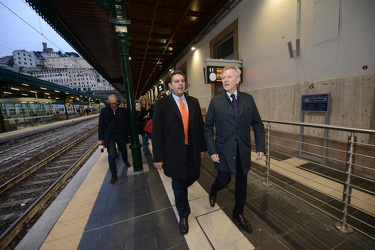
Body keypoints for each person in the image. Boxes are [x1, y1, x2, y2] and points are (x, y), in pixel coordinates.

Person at [204, 65, 265, 233]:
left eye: (229, 77)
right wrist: (212, 150)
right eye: (223, 77)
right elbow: (208, 127)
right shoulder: (216, 102)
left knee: (242, 184)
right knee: (224, 180)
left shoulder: (248, 99)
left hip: (242, 150)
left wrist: (260, 146)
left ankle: (238, 213)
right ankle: (213, 190)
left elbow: (257, 124)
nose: (225, 80)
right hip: (223, 150)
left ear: (238, 80)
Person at [152, 70, 207, 235]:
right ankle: (183, 215)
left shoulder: (194, 102)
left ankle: (182, 195)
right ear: (170, 85)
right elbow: (157, 132)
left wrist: (203, 148)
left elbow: (199, 127)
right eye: (176, 81)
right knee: (178, 185)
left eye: (182, 80)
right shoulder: (162, 105)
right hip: (174, 153)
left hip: (192, 150)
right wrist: (159, 157)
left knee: (193, 176)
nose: (180, 83)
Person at [98, 95, 131, 184]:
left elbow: (127, 122)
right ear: (108, 103)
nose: (113, 105)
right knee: (111, 155)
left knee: (124, 149)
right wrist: (100, 139)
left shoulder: (122, 111)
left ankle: (125, 160)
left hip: (120, 134)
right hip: (110, 136)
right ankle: (114, 174)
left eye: (114, 103)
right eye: (111, 103)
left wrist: (128, 134)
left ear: (117, 102)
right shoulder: (104, 111)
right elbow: (101, 125)